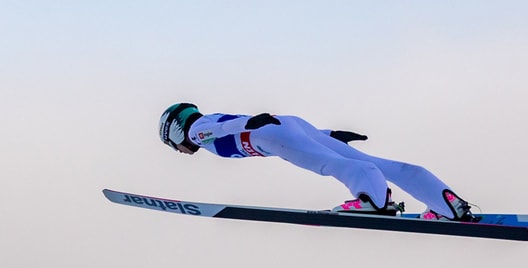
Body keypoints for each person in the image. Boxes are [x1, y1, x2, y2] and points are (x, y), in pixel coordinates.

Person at [158, 103, 475, 220]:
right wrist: (329, 135)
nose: (180, 151)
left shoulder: (198, 129)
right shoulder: (209, 118)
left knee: (329, 164)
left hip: (268, 135)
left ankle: (374, 201)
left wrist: (248, 123)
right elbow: (294, 133)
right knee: (376, 162)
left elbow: (211, 131)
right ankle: (447, 203)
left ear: (174, 130)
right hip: (288, 125)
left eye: (173, 145)